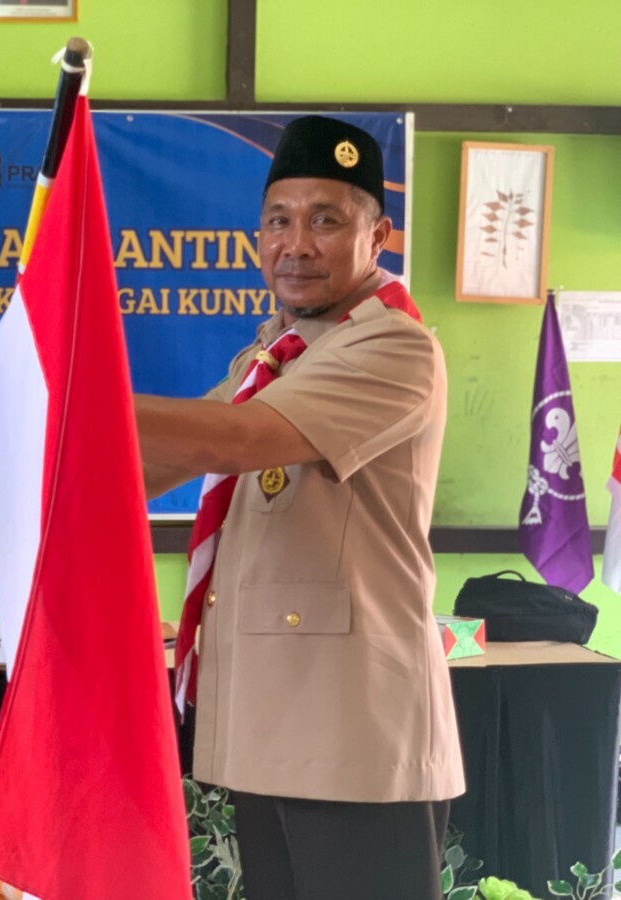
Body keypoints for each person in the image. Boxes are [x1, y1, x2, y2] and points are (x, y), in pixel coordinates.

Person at [135, 116, 464, 899]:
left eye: (327, 220)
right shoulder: (276, 353)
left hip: (354, 730)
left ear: (378, 233)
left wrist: (85, 393)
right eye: (278, 221)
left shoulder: (393, 348)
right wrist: (12, 473)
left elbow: (241, 439)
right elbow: (166, 458)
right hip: (273, 718)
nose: (298, 244)